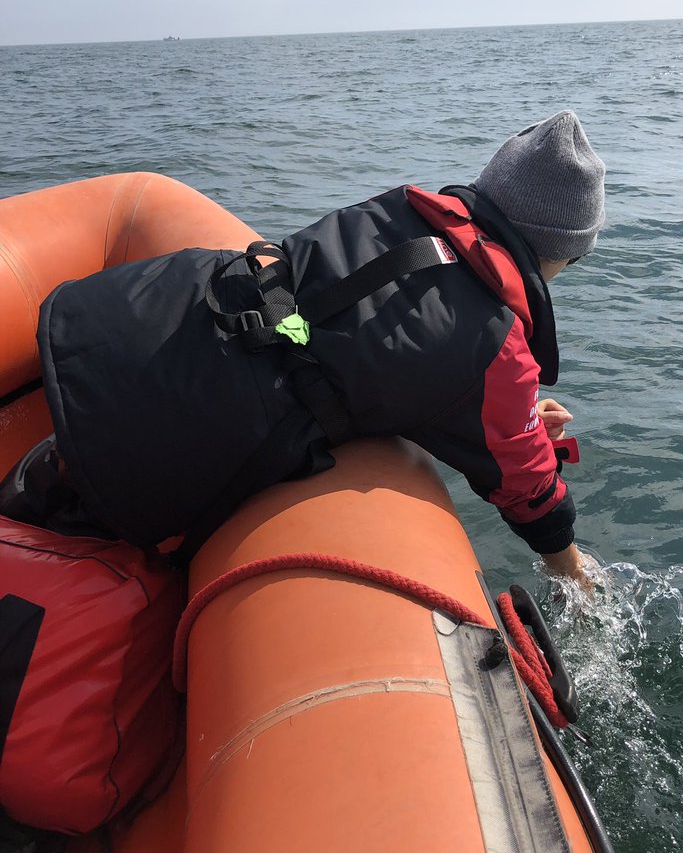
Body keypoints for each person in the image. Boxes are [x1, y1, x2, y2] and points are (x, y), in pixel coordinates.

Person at [2, 111, 605, 592]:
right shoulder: (495, 344)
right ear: (559, 252)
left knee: (43, 475)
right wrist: (572, 571)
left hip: (140, 329)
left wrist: (500, 412)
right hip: (175, 432)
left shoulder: (397, 211)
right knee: (55, 533)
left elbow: (366, 335)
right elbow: (527, 488)